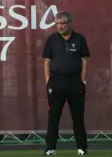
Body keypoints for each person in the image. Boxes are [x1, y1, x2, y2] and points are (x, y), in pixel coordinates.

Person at [41, 11, 90, 155]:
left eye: (62, 23)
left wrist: (83, 80)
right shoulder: (51, 40)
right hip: (56, 82)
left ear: (68, 23)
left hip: (75, 82)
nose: (59, 26)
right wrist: (48, 81)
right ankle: (50, 148)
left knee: (78, 118)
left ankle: (82, 147)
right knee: (53, 118)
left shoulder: (80, 39)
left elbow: (85, 60)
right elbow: (46, 61)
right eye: (57, 24)